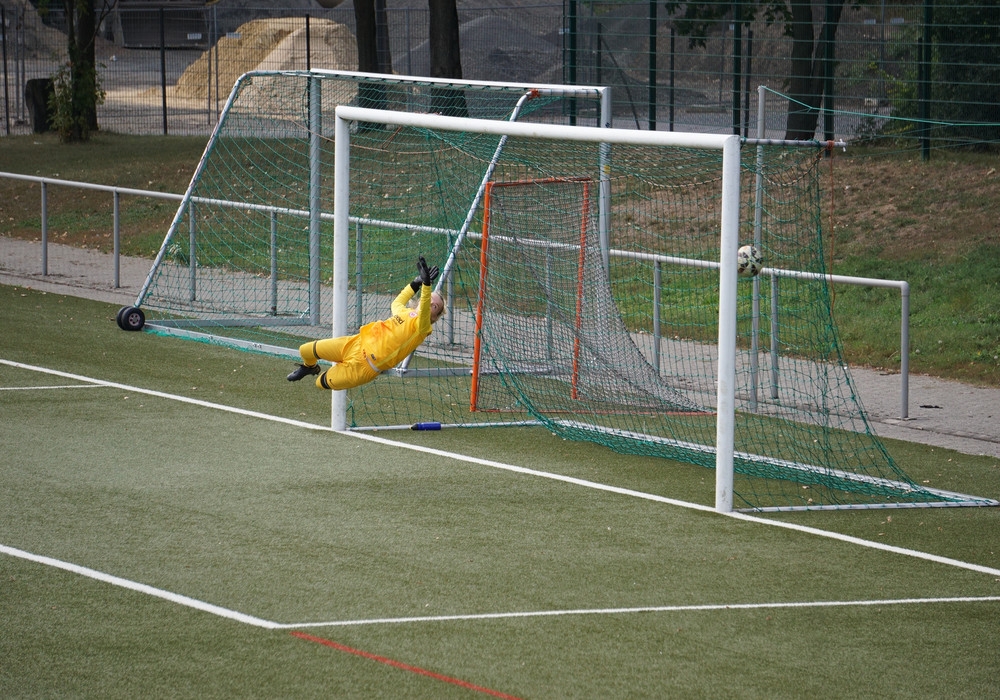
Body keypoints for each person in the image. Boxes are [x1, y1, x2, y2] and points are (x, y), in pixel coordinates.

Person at [286, 256, 445, 390]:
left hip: (364, 368)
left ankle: (322, 373)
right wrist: (416, 283)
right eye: (430, 299)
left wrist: (426, 286)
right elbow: (397, 301)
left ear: (435, 316)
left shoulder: (423, 328)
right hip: (355, 344)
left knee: (320, 383)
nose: (430, 303)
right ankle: (310, 367)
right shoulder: (404, 312)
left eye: (435, 306)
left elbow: (424, 309)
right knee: (305, 350)